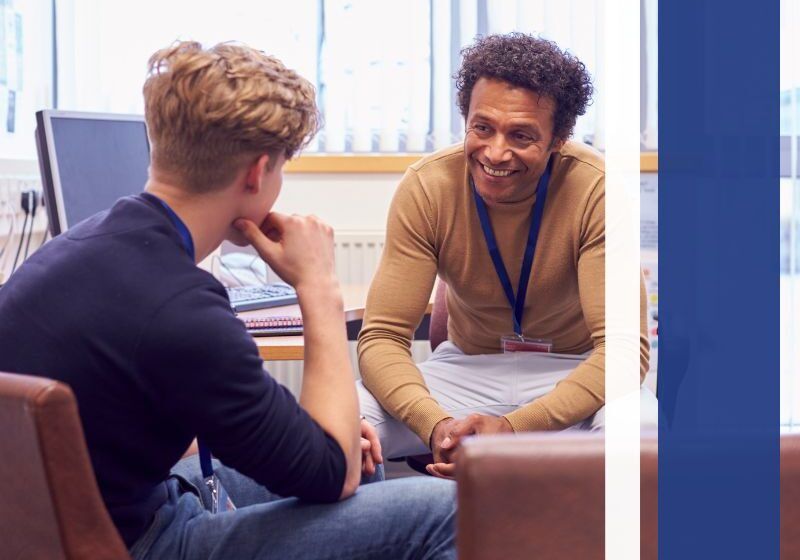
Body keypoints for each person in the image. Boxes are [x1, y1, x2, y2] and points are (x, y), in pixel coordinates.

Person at [0, 41, 455, 559]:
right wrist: (318, 287)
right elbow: (333, 475)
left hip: (91, 522)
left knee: (362, 462)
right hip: (144, 543)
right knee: (451, 509)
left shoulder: (76, 247)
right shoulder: (184, 310)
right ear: (258, 173)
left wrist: (317, 439)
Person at [357, 33, 658, 478]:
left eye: (521, 135)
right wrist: (436, 425)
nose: (496, 153)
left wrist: (514, 429)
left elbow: (623, 352)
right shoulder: (428, 186)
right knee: (341, 427)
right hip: (464, 371)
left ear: (558, 139)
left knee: (639, 439)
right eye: (482, 128)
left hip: (574, 373)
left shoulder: (596, 189)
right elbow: (382, 337)